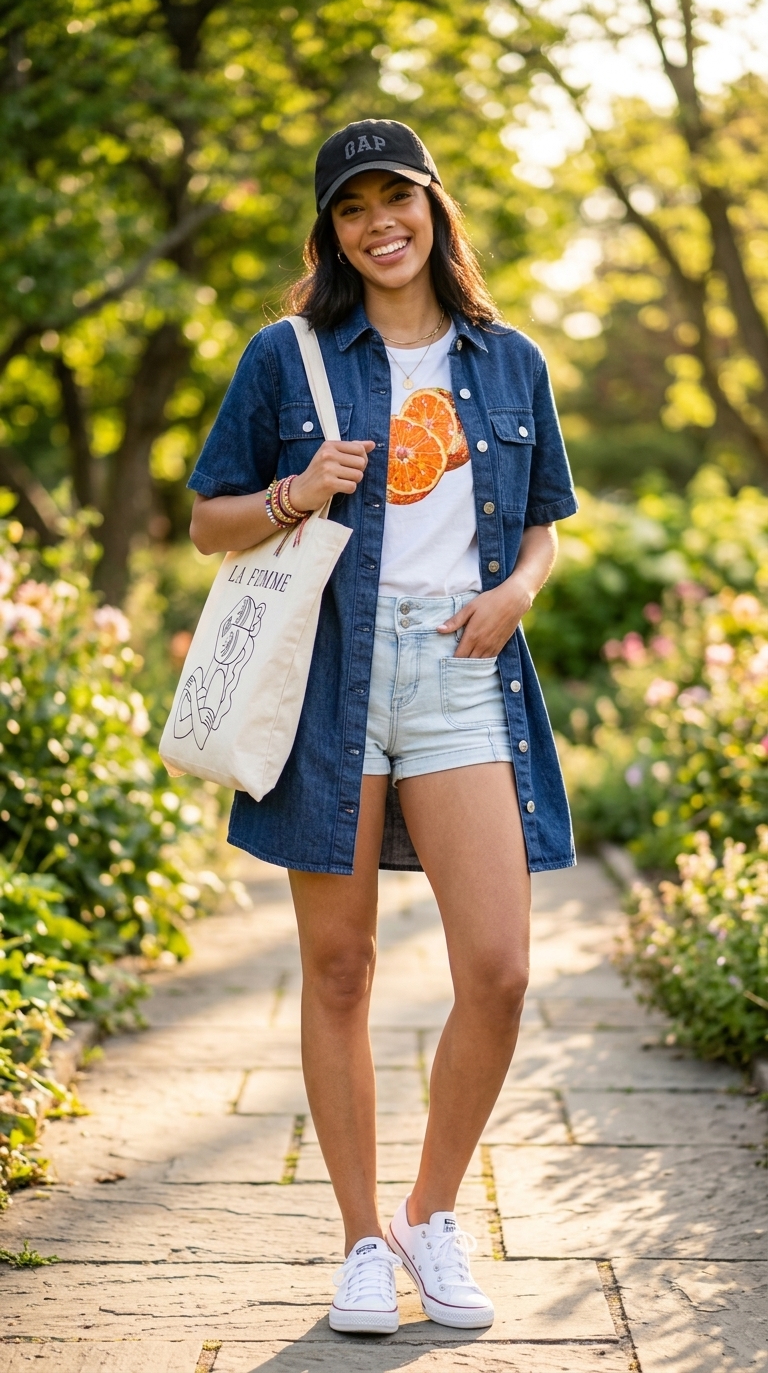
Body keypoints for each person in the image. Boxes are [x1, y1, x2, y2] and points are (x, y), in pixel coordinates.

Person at [188, 119, 578, 1336]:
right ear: (332, 232)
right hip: (330, 674)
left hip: (462, 667)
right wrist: (297, 492)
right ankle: (361, 1238)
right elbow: (209, 520)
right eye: (352, 208)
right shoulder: (285, 353)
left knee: (502, 970)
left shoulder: (507, 359)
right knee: (342, 965)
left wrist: (514, 593)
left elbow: (545, 524)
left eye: (395, 198)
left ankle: (429, 1211)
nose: (378, 224)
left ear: (432, 208)